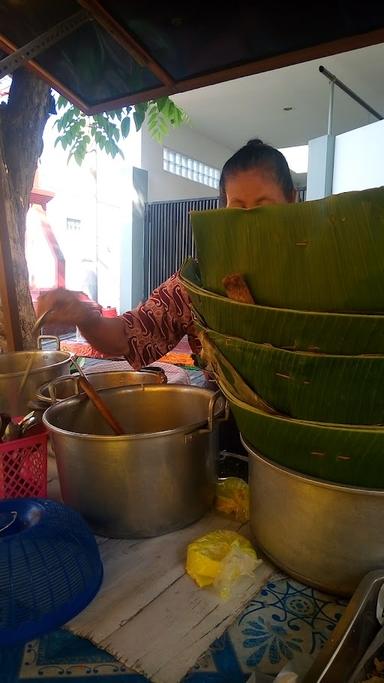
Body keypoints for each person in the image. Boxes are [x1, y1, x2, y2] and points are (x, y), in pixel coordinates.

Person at [37, 139, 296, 367]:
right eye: (237, 209)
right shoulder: (197, 283)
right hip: (225, 415)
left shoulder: (322, 273)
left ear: (292, 201)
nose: (249, 221)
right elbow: (127, 337)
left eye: (264, 206)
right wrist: (85, 317)